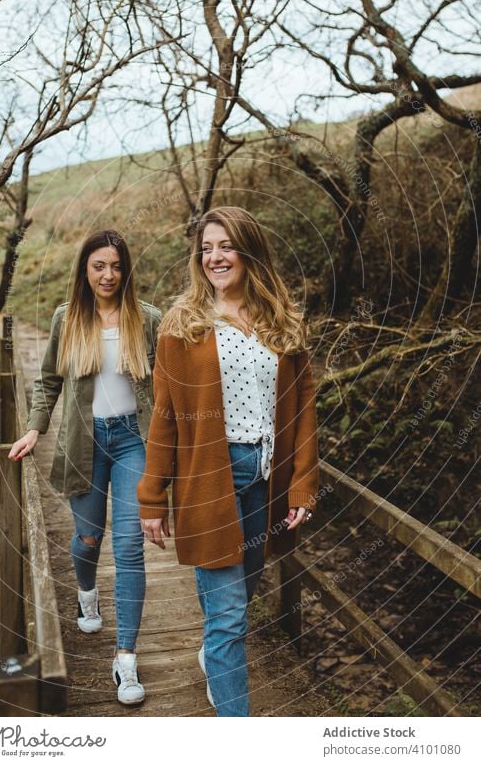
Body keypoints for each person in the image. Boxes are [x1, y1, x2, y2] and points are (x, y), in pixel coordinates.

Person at [137, 206, 319, 717]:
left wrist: (303, 485)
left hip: (267, 478)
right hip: (209, 479)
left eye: (225, 246)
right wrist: (151, 498)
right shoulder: (183, 325)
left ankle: (215, 653)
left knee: (242, 593)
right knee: (230, 616)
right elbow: (165, 417)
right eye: (206, 249)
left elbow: (303, 410)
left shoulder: (281, 323)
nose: (214, 257)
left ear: (248, 250)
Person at [9, 229, 161, 706]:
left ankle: (126, 659)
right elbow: (49, 380)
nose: (108, 275)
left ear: (126, 269)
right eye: (99, 266)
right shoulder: (67, 319)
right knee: (88, 537)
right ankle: (86, 589)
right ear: (85, 269)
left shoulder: (148, 319)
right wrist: (35, 427)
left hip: (133, 440)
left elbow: (170, 385)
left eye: (116, 266)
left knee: (130, 543)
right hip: (84, 441)